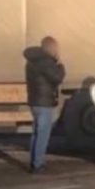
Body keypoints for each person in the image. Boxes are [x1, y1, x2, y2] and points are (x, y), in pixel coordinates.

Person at [24, 36, 66, 173]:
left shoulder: (32, 61)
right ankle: (38, 164)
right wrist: (60, 64)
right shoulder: (46, 62)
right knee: (43, 134)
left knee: (36, 133)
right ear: (51, 48)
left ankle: (34, 161)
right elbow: (57, 77)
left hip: (34, 101)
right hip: (44, 102)